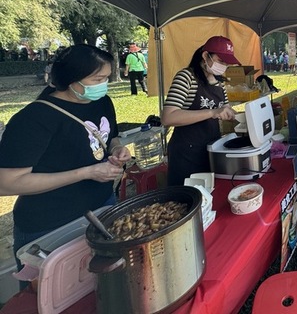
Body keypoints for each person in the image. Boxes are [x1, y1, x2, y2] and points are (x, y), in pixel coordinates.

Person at [0, 45, 131, 276]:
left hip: (102, 206)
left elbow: (111, 136)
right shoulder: (34, 119)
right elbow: (7, 183)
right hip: (49, 223)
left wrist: (117, 147)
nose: (104, 84)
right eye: (97, 78)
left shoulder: (102, 102)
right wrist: (86, 172)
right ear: (71, 79)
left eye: (106, 78)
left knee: (101, 285)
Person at [161, 36, 238, 186]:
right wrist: (212, 112)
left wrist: (239, 116)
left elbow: (225, 109)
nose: (224, 66)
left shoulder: (219, 84)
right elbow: (168, 117)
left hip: (210, 149)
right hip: (186, 153)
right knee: (187, 199)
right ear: (205, 55)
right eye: (221, 61)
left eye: (226, 63)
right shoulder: (187, 77)